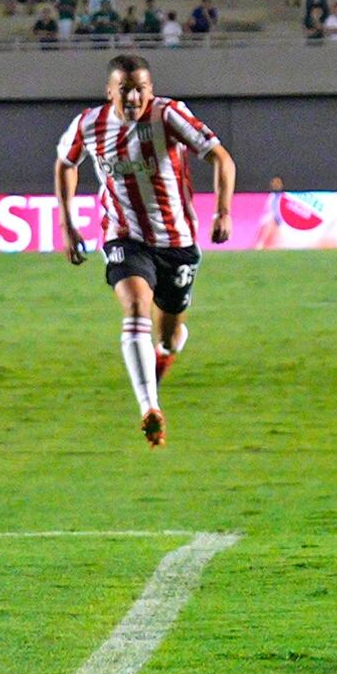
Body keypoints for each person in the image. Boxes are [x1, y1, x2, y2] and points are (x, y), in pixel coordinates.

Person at [53, 54, 236, 446]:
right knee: (135, 305)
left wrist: (223, 211)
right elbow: (66, 163)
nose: (134, 97)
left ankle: (166, 351)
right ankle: (149, 408)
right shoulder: (89, 124)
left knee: (169, 333)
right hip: (124, 237)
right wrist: (68, 226)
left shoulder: (169, 116)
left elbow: (221, 157)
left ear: (150, 91)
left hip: (177, 242)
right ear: (109, 92)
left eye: (141, 89)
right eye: (125, 90)